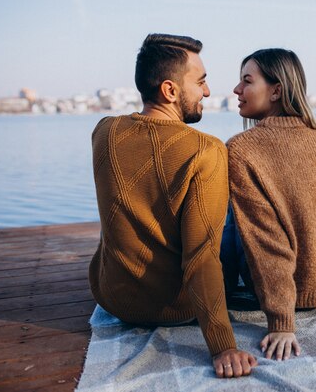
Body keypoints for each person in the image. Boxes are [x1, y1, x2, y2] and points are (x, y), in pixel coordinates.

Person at [89, 33, 257, 378]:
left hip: (113, 298)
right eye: (201, 82)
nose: (207, 92)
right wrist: (223, 345)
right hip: (174, 307)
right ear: (170, 90)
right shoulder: (205, 150)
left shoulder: (104, 132)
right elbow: (200, 256)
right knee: (230, 220)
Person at [223, 48, 316, 362]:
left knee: (228, 215)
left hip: (300, 289)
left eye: (246, 81)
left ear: (276, 90)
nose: (237, 90)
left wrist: (281, 322)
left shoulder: (241, 149)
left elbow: (267, 241)